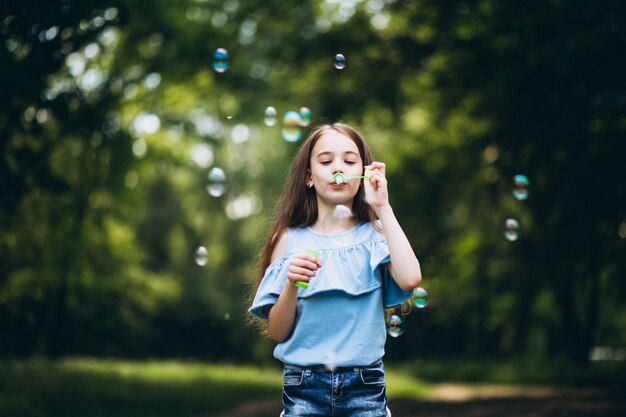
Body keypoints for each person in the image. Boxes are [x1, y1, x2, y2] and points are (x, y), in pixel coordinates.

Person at [248, 122, 422, 417]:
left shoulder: (376, 234)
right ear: (308, 177)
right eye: (326, 161)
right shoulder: (289, 240)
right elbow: (278, 331)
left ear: (363, 174)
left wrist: (382, 206)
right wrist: (292, 282)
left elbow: (410, 279)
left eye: (350, 160)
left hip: (365, 385)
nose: (338, 168)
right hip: (303, 385)